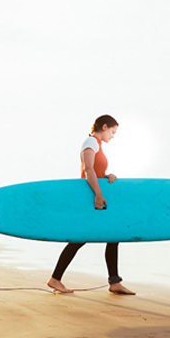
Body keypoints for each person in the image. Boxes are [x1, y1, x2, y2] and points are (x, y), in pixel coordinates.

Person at [47, 115, 136, 295]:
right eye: (112, 131)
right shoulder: (91, 142)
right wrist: (98, 194)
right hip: (90, 198)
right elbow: (88, 170)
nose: (113, 136)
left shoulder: (97, 144)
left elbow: (95, 171)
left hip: (93, 195)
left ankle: (114, 282)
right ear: (104, 127)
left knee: (111, 236)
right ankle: (56, 279)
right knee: (81, 238)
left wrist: (107, 176)